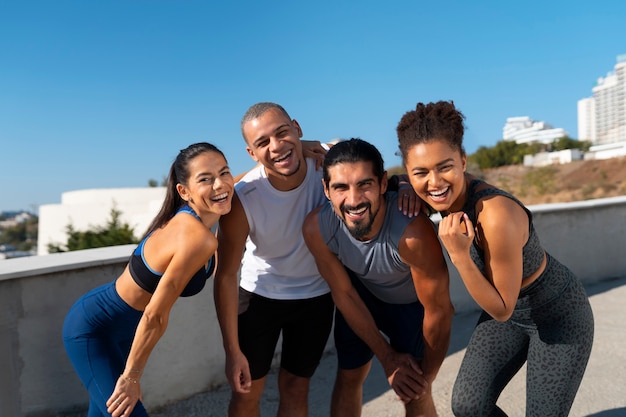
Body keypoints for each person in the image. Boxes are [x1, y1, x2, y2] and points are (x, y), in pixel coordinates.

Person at [396, 100, 595, 417]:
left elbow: (501, 308)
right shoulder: (425, 188)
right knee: (469, 405)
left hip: (558, 314)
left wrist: (460, 255)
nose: (434, 182)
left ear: (463, 160)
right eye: (420, 172)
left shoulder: (495, 215)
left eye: (444, 166)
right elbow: (383, 181)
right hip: (512, 316)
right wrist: (404, 185)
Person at [63, 142, 234, 417]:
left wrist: (294, 151)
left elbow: (234, 182)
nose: (220, 185)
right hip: (94, 328)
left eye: (224, 173)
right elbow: (155, 314)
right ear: (184, 191)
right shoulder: (197, 238)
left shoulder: (201, 212)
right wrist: (131, 377)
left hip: (125, 333)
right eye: (206, 179)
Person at [302, 138, 454, 417]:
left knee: (415, 393)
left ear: (383, 184)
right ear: (325, 189)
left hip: (412, 308)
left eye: (364, 185)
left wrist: (425, 380)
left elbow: (440, 311)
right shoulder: (317, 228)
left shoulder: (412, 235)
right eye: (340, 187)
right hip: (362, 296)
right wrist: (386, 357)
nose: (354, 199)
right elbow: (344, 294)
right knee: (349, 376)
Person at [213, 102, 336, 417]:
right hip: (259, 297)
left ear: (297, 128)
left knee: (297, 388)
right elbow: (225, 275)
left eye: (282, 133)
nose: (276, 146)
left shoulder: (331, 164)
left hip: (316, 297)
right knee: (247, 394)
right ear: (251, 153)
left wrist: (402, 183)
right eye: (263, 143)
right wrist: (231, 350)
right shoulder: (243, 197)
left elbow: (377, 170)